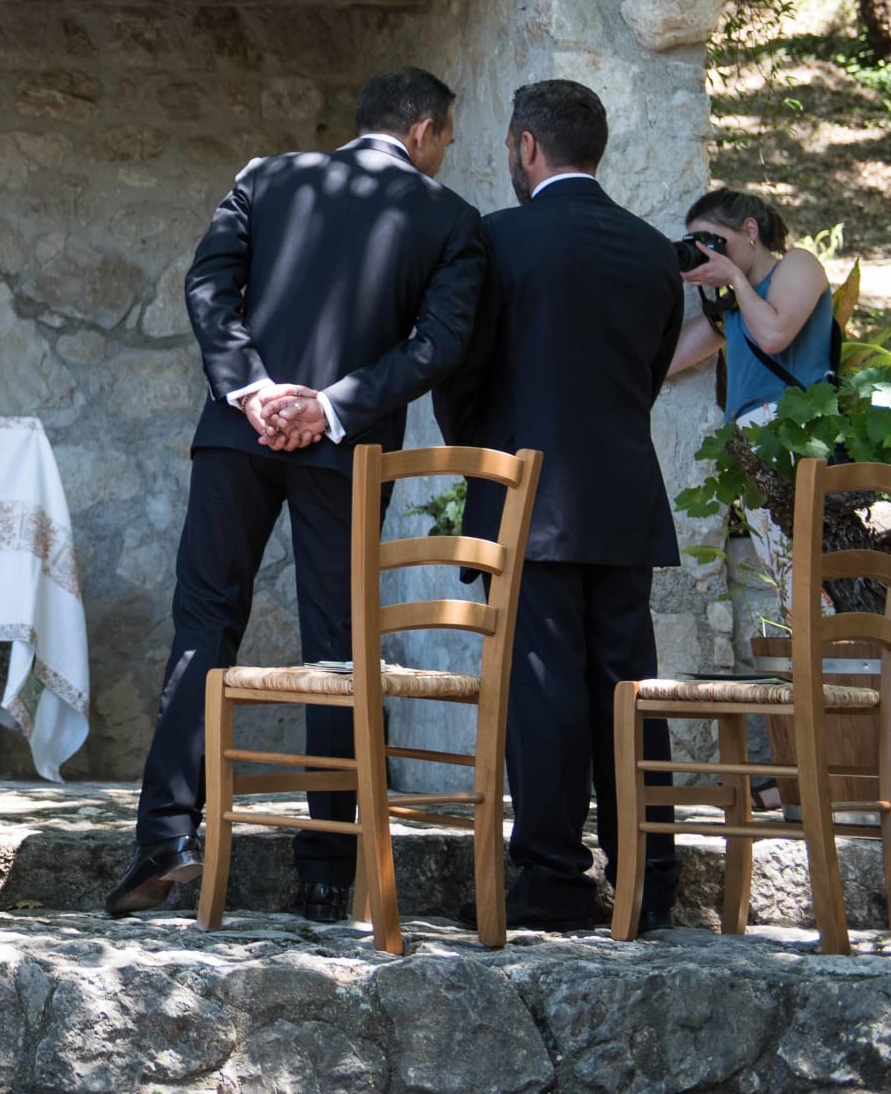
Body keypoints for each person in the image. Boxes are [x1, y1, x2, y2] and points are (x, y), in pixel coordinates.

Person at [110, 66, 486, 924]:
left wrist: (252, 391)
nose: (446, 152)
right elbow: (440, 345)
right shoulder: (451, 220)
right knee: (338, 651)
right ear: (425, 130)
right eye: (449, 138)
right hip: (347, 453)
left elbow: (207, 286)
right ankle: (326, 868)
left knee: (204, 625)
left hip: (236, 436)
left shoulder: (264, 176)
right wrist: (329, 406)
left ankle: (163, 841)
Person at [435, 80, 683, 933]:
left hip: (523, 493)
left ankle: (551, 880)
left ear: (527, 146)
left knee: (542, 690)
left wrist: (479, 444)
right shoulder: (654, 250)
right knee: (627, 690)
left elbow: (462, 368)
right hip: (620, 498)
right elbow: (646, 378)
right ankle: (649, 875)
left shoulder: (499, 240)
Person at [668, 189, 836, 423]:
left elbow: (773, 336)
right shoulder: (735, 309)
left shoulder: (799, 262)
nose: (708, 254)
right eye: (698, 246)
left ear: (750, 229)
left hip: (797, 432)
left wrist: (735, 277)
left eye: (710, 241)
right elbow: (663, 363)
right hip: (747, 445)